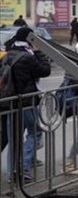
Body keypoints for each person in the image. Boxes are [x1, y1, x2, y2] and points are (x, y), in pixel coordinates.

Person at [2, 27, 52, 181]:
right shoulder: (28, 56)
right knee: (35, 131)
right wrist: (38, 52)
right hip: (26, 101)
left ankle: (12, 174)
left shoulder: (7, 55)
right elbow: (44, 71)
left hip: (10, 103)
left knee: (13, 138)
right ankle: (23, 168)